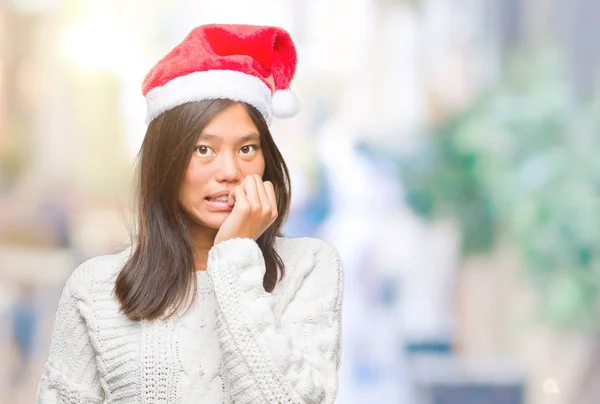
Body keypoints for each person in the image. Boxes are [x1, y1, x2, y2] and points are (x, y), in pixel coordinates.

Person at [34, 24, 344, 404]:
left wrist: (234, 258)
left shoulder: (309, 267)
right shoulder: (96, 288)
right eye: (203, 150)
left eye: (247, 149)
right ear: (166, 162)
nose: (230, 171)